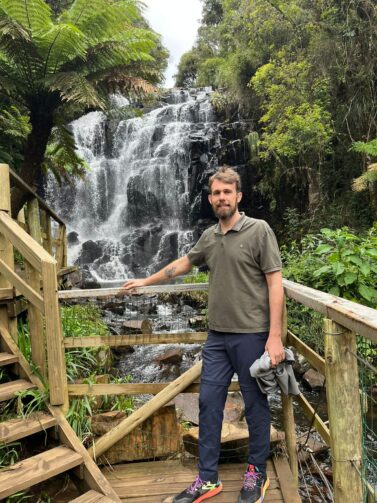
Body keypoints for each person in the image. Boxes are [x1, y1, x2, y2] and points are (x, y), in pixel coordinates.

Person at [121, 166, 284, 503]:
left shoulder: (259, 230)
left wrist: (275, 336)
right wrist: (144, 282)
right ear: (210, 198)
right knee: (209, 404)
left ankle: (257, 473)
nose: (221, 198)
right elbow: (182, 264)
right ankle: (208, 479)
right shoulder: (210, 237)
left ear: (238, 195)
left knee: (256, 405)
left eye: (227, 192)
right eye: (216, 193)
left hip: (253, 335)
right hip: (217, 339)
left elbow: (275, 283)